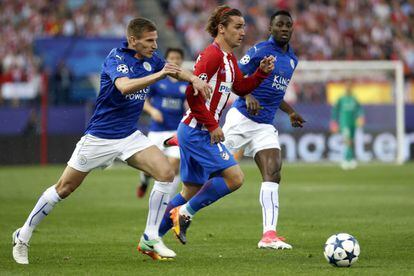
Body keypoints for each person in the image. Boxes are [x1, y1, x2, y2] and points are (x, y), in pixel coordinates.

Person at [12, 17, 211, 264]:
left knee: (165, 173)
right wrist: (160, 75)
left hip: (129, 135)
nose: (154, 45)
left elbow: (174, 69)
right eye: (149, 41)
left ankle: (150, 236)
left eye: (156, 40)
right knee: (64, 188)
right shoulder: (116, 58)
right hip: (100, 137)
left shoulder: (152, 59)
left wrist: (194, 79)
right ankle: (23, 235)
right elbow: (125, 87)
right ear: (133, 40)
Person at [158, 5, 275, 246]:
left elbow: (241, 89)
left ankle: (151, 237)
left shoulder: (229, 59)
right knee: (235, 178)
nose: (243, 32)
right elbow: (192, 95)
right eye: (238, 27)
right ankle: (184, 214)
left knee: (189, 190)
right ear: (221, 29)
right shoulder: (211, 56)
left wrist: (261, 73)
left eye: (244, 27)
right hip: (198, 131)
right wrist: (212, 126)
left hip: (193, 131)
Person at [222, 10, 306, 250]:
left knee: (273, 171)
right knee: (210, 166)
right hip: (241, 118)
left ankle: (269, 235)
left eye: (288, 25)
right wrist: (247, 94)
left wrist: (289, 112)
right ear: (270, 28)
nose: (284, 29)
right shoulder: (260, 50)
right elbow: (234, 75)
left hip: (264, 125)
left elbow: (275, 92)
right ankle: (181, 209)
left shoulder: (292, 59)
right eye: (279, 25)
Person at [137, 47, 187, 198]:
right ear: (167, 60)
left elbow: (190, 103)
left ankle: (166, 202)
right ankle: (144, 180)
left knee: (174, 165)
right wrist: (153, 111)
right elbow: (143, 100)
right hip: (157, 130)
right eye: (171, 58)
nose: (175, 61)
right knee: (149, 167)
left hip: (176, 131)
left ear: (181, 61)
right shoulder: (158, 79)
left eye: (177, 58)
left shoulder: (186, 81)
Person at [330, 81, 364, 170]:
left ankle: (350, 159)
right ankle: (347, 159)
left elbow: (359, 109)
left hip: (353, 123)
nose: (348, 88)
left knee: (351, 141)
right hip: (344, 123)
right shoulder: (341, 99)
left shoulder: (354, 98)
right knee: (347, 140)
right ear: (345, 88)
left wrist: (361, 117)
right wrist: (334, 121)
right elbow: (335, 110)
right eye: (347, 86)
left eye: (349, 86)